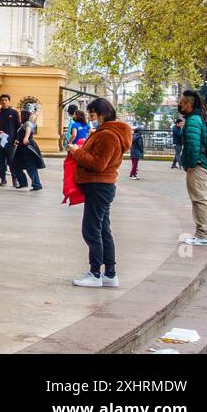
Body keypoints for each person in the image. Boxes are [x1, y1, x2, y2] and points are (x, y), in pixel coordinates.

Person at [66, 98, 130, 287]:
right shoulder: (107, 132)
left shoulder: (108, 135)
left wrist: (76, 151)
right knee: (102, 229)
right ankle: (109, 274)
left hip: (98, 185)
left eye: (93, 114)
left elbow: (98, 164)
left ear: (103, 113)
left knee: (92, 229)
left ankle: (95, 273)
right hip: (101, 186)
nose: (91, 118)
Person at [178, 90, 207, 246]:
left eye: (181, 103)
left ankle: (203, 235)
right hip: (206, 165)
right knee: (205, 200)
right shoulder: (198, 118)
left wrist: (190, 165)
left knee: (199, 200)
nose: (179, 105)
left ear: (188, 104)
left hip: (198, 167)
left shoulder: (193, 120)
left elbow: (193, 147)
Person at [9, 109, 45, 191]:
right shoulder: (22, 124)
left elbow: (28, 129)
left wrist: (26, 138)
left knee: (31, 166)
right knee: (16, 165)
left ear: (24, 115)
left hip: (27, 146)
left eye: (20, 115)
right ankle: (23, 183)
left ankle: (37, 185)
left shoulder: (28, 123)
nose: (19, 116)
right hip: (21, 147)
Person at [0, 94, 19, 186]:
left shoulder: (14, 113)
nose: (4, 102)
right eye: (2, 100)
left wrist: (17, 139)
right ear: (0, 102)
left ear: (9, 101)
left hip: (11, 142)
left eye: (6, 100)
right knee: (1, 161)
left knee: (11, 161)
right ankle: (3, 179)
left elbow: (18, 127)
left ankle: (14, 179)